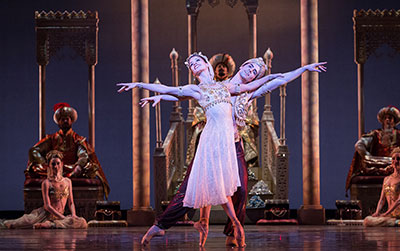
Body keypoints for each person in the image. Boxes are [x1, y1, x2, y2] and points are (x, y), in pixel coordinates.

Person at [136, 57, 327, 246]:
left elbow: (278, 80)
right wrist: (159, 95)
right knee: (188, 188)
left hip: (234, 145)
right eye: (250, 67)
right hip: (212, 143)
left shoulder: (247, 92)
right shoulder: (219, 85)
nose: (250, 72)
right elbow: (183, 93)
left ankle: (232, 231)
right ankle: (165, 224)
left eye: (255, 72)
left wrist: (304, 68)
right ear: (242, 65)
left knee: (242, 191)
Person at [25, 102, 110, 198]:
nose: (65, 121)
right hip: (53, 169)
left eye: (67, 119)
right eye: (62, 119)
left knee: (90, 167)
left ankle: (69, 174)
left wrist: (78, 167)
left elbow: (83, 155)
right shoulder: (51, 138)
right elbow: (34, 151)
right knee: (36, 167)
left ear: (71, 120)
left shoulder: (77, 139)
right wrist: (46, 165)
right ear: (58, 121)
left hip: (71, 168)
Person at [2, 150, 87, 229]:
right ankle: (50, 224)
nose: (56, 167)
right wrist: (63, 218)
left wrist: (74, 215)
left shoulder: (68, 181)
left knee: (83, 222)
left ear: (62, 164)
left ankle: (51, 224)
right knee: (14, 224)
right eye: (53, 164)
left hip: (60, 217)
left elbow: (71, 202)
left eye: (58, 163)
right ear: (49, 165)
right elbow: (47, 206)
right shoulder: (46, 183)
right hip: (44, 215)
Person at [346, 106, 400, 194]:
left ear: (394, 121)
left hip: (394, 162)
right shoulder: (375, 134)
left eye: (390, 118)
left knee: (395, 162)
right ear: (382, 121)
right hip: (376, 161)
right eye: (385, 118)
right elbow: (359, 145)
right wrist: (368, 156)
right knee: (366, 161)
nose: (387, 120)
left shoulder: (398, 134)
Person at [364, 147, 400, 227]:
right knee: (367, 221)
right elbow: (382, 199)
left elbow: (398, 201)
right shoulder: (386, 179)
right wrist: (377, 212)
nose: (396, 161)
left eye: (398, 159)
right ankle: (395, 222)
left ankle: (395, 222)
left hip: (395, 214)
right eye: (393, 159)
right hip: (390, 215)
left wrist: (385, 214)